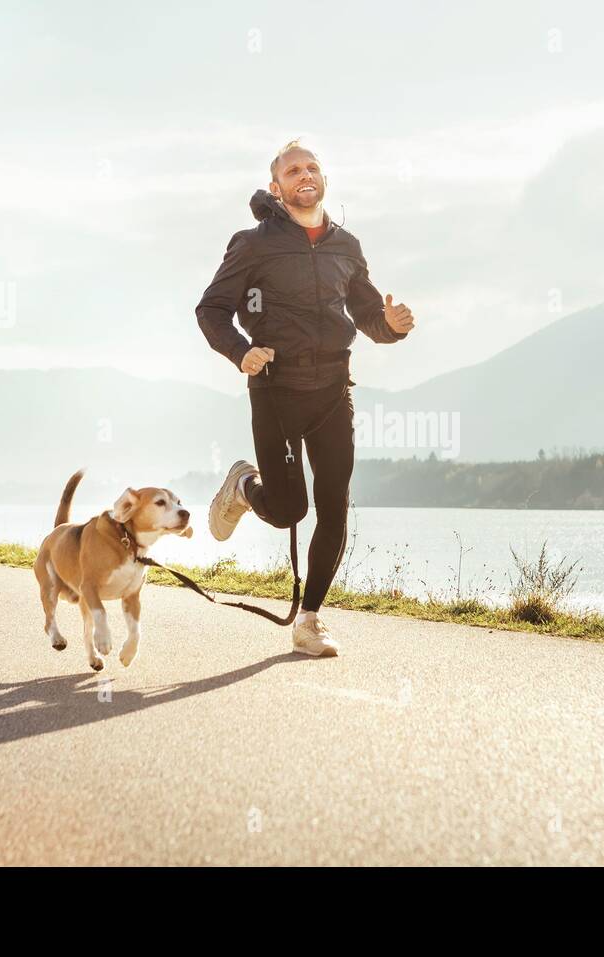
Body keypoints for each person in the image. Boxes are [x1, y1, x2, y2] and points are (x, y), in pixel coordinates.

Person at [196, 140, 415, 656]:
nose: (305, 174)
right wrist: (240, 352)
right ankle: (245, 488)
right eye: (293, 170)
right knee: (290, 507)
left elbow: (366, 314)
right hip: (275, 387)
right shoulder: (252, 245)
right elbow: (211, 309)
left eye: (312, 166)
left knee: (334, 504)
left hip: (333, 391)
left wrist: (390, 326)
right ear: (277, 188)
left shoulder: (347, 247)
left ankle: (310, 621)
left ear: (324, 179)